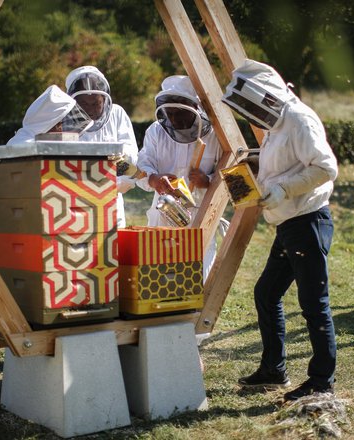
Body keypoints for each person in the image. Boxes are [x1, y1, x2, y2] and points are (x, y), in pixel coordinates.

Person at [221, 59, 338, 401]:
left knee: (314, 304)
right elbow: (287, 161)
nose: (251, 113)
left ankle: (321, 382)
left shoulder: (299, 119)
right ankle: (274, 369)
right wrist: (257, 165)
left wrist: (284, 188)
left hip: (307, 221)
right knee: (267, 293)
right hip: (289, 225)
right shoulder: (276, 126)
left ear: (266, 97)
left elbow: (326, 168)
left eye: (252, 106)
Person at [136, 75, 222, 280]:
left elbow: (228, 170)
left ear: (193, 106)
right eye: (170, 113)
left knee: (198, 279)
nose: (174, 119)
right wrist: (153, 179)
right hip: (164, 211)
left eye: (180, 113)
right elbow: (141, 166)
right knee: (161, 276)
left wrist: (208, 180)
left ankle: (196, 312)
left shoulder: (215, 135)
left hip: (202, 213)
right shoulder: (156, 132)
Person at [65, 66, 139, 228]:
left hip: (111, 201)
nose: (90, 109)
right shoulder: (64, 120)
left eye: (96, 103)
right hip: (74, 202)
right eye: (84, 103)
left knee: (111, 249)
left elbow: (131, 160)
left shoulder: (117, 114)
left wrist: (112, 183)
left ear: (104, 99)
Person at [7, 84, 92, 145]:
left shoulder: (33, 141)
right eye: (60, 124)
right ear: (52, 124)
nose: (61, 129)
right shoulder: (25, 145)